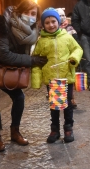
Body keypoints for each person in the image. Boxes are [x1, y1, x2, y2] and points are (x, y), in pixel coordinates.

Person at [0, 0, 48, 152]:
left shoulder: (32, 32)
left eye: (33, 14)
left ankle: (15, 132)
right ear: (19, 12)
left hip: (3, 67)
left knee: (19, 97)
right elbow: (4, 55)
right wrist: (32, 61)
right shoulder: (4, 26)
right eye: (27, 12)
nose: (30, 17)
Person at [31, 8, 83, 143]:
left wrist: (73, 58)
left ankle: (68, 128)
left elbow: (77, 49)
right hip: (52, 79)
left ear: (58, 22)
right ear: (43, 25)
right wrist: (36, 80)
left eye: (53, 21)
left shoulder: (67, 37)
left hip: (67, 78)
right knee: (54, 105)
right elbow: (36, 60)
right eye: (47, 22)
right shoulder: (41, 41)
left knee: (67, 104)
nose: (51, 25)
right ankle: (54, 130)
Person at [56, 8, 78, 109]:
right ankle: (61, 99)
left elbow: (76, 42)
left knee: (70, 79)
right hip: (58, 59)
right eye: (59, 15)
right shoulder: (53, 29)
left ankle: (71, 99)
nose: (62, 17)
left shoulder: (70, 28)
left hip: (70, 58)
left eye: (63, 15)